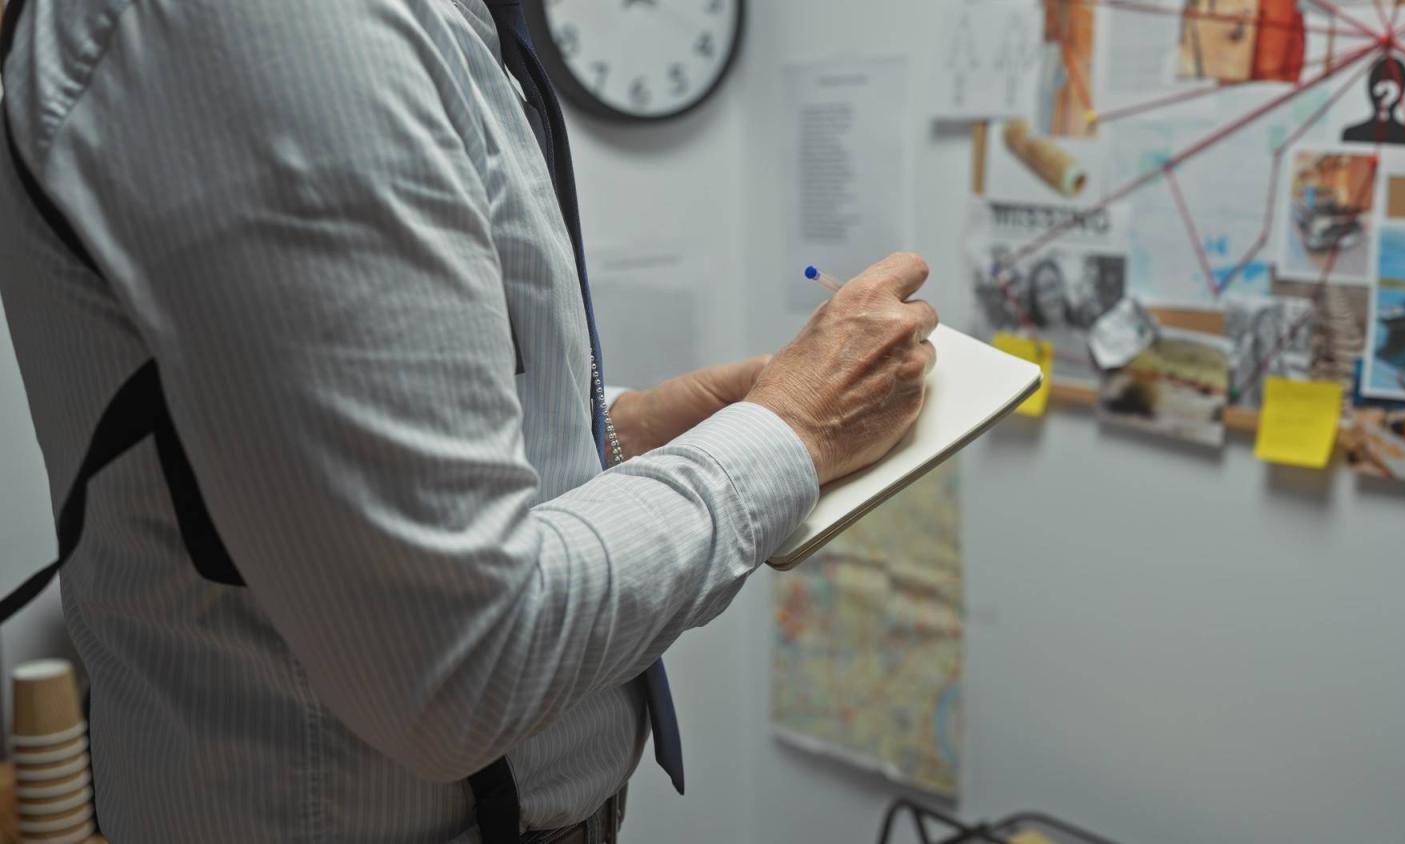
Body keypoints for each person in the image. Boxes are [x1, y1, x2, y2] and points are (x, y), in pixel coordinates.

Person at [0, 0, 938, 841]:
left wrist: (618, 435)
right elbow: (462, 666)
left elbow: (327, 431)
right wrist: (792, 433)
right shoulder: (275, 26)